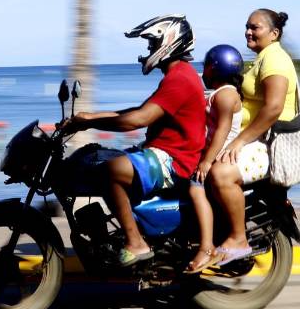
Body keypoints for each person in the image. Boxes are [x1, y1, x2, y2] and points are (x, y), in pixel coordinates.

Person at [62, 14, 206, 267]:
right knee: (95, 159)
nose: (149, 49)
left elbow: (137, 120)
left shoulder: (180, 78)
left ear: (169, 42)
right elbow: (138, 111)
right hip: (165, 152)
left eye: (152, 43)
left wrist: (90, 122)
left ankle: (135, 242)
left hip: (176, 160)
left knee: (112, 169)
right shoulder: (176, 75)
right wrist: (88, 117)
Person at [208, 9, 300, 264]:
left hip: (270, 143)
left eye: (255, 27)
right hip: (257, 139)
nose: (248, 32)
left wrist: (239, 142)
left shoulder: (275, 59)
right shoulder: (263, 58)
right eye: (247, 27)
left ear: (274, 33)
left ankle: (238, 239)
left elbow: (273, 108)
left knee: (221, 173)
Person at [185, 44, 245, 274]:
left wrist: (207, 161)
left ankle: (206, 247)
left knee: (195, 187)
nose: (204, 72)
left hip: (218, 155)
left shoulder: (227, 95)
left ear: (214, 68)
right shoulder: (219, 93)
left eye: (207, 67)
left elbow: (222, 130)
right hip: (210, 152)